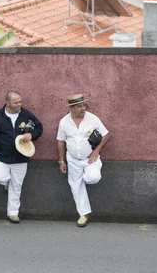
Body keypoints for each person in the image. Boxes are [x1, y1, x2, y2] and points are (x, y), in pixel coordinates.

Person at [0, 91, 43, 223]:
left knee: (16, 186)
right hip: (1, 157)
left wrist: (32, 135)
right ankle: (6, 184)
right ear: (8, 103)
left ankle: (13, 213)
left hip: (21, 157)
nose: (19, 104)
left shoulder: (26, 114)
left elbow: (39, 128)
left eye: (20, 101)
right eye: (16, 102)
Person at [56, 94, 109, 227]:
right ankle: (84, 214)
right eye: (79, 106)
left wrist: (96, 151)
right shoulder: (64, 122)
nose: (83, 108)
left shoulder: (92, 118)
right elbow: (60, 141)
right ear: (71, 108)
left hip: (90, 159)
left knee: (93, 178)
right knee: (76, 187)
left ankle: (82, 179)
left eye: (84, 105)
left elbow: (106, 134)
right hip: (73, 160)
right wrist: (61, 161)